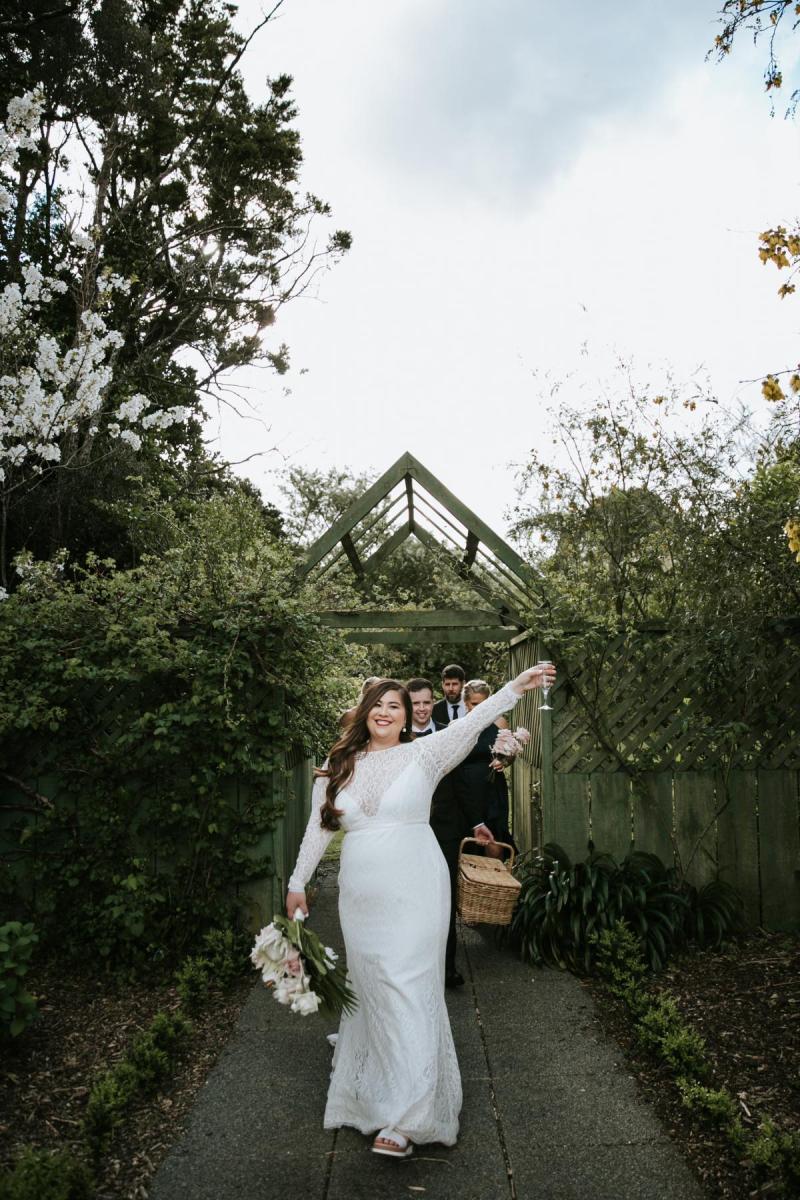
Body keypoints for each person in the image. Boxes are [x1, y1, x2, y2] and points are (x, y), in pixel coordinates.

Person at [285, 663, 555, 1159]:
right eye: (378, 705)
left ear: (408, 717)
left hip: (416, 885)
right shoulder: (341, 761)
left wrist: (515, 688)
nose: (385, 713)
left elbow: (472, 725)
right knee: (372, 983)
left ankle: (409, 1116)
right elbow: (317, 828)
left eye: (396, 706)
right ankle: (377, 1076)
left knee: (408, 983)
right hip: (361, 894)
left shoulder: (425, 755)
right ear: (365, 713)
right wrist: (297, 882)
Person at [407, 676, 494, 988]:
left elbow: (460, 785)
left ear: (434, 703)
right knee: (410, 900)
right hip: (406, 835)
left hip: (445, 830)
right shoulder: (396, 740)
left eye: (426, 702)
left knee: (445, 897)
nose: (421, 708)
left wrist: (476, 823)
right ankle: (414, 968)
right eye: (415, 703)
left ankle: (446, 969)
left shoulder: (448, 735)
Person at [456, 679, 515, 861]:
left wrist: (503, 761)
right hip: (468, 792)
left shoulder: (500, 723)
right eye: (474, 704)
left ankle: (493, 884)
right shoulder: (458, 727)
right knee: (469, 841)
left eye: (484, 704)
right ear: (466, 703)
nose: (479, 708)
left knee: (495, 840)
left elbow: (510, 754)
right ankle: (468, 885)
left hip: (493, 791)